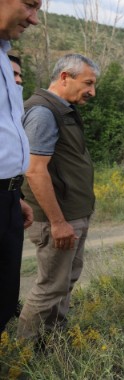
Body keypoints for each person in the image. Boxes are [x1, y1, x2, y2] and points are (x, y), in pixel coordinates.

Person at [17, 53, 100, 342]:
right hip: (59, 217)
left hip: (73, 212)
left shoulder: (62, 108)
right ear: (65, 77)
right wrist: (57, 222)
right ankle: (23, 351)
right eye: (88, 83)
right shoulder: (43, 112)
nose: (92, 91)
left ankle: (53, 341)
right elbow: (35, 170)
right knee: (50, 286)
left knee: (65, 282)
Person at [0, 0, 40, 333]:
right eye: (30, 4)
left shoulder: (4, 56)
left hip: (8, 197)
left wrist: (13, 193)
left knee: (4, 299)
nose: (35, 19)